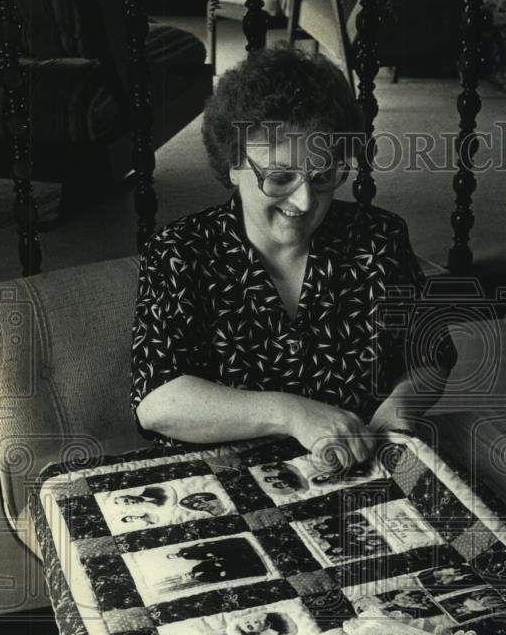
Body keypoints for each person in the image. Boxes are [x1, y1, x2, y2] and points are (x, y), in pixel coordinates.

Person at [131, 46, 455, 468]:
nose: (303, 202)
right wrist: (293, 413)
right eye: (280, 177)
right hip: (221, 483)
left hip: (359, 467)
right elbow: (158, 401)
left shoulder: (379, 238)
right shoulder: (179, 251)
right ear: (233, 165)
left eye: (322, 177)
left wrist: (399, 410)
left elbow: (430, 355)